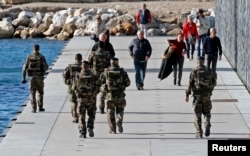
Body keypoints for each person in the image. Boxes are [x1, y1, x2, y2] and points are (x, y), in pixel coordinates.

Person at [185, 56, 217, 138]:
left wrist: (187, 94)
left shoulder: (194, 71)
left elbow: (190, 83)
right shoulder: (210, 71)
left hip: (197, 96)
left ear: (197, 62)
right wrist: (210, 91)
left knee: (197, 114)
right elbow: (214, 83)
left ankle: (199, 132)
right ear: (204, 62)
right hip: (207, 96)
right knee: (207, 112)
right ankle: (207, 123)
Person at [99, 57, 130, 134]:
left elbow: (101, 82)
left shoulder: (106, 72)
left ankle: (112, 129)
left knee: (110, 112)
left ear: (110, 63)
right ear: (117, 62)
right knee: (120, 110)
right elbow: (128, 83)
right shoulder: (122, 72)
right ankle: (118, 120)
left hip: (109, 95)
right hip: (120, 95)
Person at [72, 61, 100, 138]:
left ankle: (82, 132)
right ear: (89, 67)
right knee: (91, 115)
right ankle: (90, 127)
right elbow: (98, 86)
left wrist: (78, 95)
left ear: (82, 67)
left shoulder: (77, 76)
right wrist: (94, 94)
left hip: (81, 99)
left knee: (81, 115)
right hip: (91, 99)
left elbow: (73, 88)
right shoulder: (93, 76)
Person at [22, 44, 48, 113]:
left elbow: (24, 68)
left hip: (31, 78)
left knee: (32, 93)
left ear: (33, 49)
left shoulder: (29, 57)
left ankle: (34, 108)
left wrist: (23, 78)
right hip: (39, 77)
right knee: (40, 92)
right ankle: (40, 107)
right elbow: (46, 67)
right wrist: (43, 73)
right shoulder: (41, 57)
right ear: (39, 49)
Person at [88, 41, 110, 114]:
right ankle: (101, 107)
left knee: (93, 92)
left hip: (95, 75)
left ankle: (93, 107)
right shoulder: (107, 54)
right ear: (103, 46)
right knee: (103, 92)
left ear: (98, 46)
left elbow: (89, 62)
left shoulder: (93, 54)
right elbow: (109, 64)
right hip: (104, 75)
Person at [62, 53, 82, 123]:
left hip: (72, 88)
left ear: (75, 59)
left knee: (73, 102)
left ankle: (74, 117)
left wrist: (70, 83)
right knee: (80, 102)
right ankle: (80, 116)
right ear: (81, 59)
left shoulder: (69, 67)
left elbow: (64, 78)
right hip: (81, 88)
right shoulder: (84, 66)